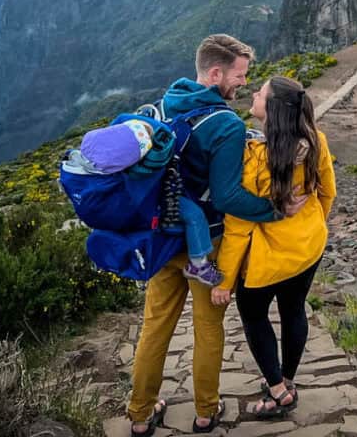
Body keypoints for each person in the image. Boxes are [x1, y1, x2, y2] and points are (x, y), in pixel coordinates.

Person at [128, 35, 307, 436]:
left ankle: (140, 415)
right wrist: (275, 209)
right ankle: (206, 412)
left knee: (155, 327)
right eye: (239, 75)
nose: (243, 83)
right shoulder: (225, 123)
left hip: (162, 238)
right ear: (215, 74)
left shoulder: (164, 105)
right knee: (208, 329)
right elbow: (227, 197)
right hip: (206, 246)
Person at [210, 76, 336, 419]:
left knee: (253, 316)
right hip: (308, 247)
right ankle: (288, 379)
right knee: (294, 310)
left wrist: (224, 281)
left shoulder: (255, 159)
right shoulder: (316, 142)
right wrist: (312, 225)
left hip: (268, 260)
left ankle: (278, 391)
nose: (254, 94)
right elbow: (328, 192)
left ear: (274, 109)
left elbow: (238, 227)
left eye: (261, 93)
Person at [78, 119, 223, 286]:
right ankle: (198, 265)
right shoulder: (145, 162)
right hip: (154, 201)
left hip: (132, 207)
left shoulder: (102, 167)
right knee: (195, 216)